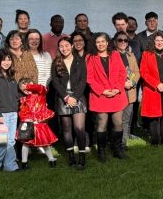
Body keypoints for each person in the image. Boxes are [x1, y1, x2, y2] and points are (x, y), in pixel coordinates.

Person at [86, 33, 128, 162]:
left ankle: (117, 149)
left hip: (116, 94)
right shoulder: (90, 57)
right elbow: (90, 78)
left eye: (103, 41)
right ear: (94, 44)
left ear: (108, 42)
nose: (101, 44)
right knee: (102, 123)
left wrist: (117, 89)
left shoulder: (115, 54)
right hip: (100, 96)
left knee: (118, 122)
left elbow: (123, 72)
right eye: (98, 42)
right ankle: (101, 150)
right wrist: (103, 91)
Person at [51, 37, 89, 169]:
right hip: (63, 97)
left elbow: (83, 81)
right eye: (61, 46)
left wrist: (75, 97)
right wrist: (66, 97)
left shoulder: (80, 61)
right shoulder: (56, 62)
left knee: (79, 129)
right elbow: (55, 82)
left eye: (67, 45)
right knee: (66, 129)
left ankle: (82, 157)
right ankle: (71, 156)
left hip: (78, 97)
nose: (64, 48)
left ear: (72, 46)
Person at [0, 50, 21, 176]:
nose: (6, 62)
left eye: (9, 59)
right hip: (1, 115)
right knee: (2, 142)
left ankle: (10, 165)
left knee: (11, 141)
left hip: (13, 113)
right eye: (4, 60)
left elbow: (15, 95)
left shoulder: (11, 76)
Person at [112, 30, 140, 147]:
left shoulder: (131, 55)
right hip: (118, 92)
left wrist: (132, 82)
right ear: (115, 42)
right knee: (116, 121)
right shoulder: (111, 56)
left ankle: (123, 143)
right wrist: (123, 84)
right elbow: (111, 75)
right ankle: (115, 143)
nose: (123, 42)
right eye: (120, 40)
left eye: (125, 40)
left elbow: (137, 72)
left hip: (130, 92)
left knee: (127, 119)